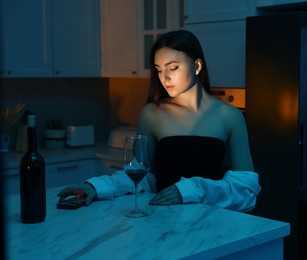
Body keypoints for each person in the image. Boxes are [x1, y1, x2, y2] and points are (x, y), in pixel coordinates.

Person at [58, 30, 261, 212]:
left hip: (211, 222)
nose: (164, 77)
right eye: (158, 69)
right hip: (162, 221)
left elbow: (246, 191)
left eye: (173, 67)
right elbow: (139, 175)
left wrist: (192, 189)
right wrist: (95, 187)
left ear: (197, 66)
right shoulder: (152, 113)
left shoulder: (230, 116)